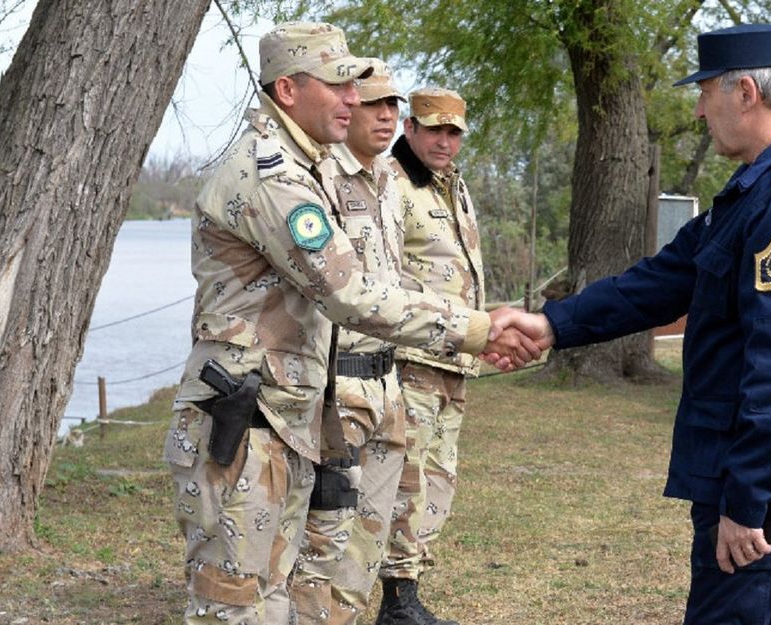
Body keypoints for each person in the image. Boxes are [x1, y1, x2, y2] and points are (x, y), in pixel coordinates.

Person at [490, 23, 771, 625]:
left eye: (706, 93)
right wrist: (552, 324)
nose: (699, 110)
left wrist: (746, 500)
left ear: (746, 91)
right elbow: (666, 278)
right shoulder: (768, 183)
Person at [163, 23, 535, 625]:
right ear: (287, 89)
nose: (351, 100)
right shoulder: (272, 177)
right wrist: (475, 330)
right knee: (236, 604)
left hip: (287, 415)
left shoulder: (306, 168)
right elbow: (352, 295)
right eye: (337, 85)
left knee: (286, 591)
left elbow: (380, 286)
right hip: (246, 420)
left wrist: (477, 318)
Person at [289, 58, 412, 625]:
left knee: (371, 532)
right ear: (347, 107)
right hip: (340, 386)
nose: (387, 116)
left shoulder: (389, 180)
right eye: (374, 104)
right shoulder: (322, 176)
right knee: (325, 535)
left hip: (388, 380)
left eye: (394, 106)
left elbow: (393, 278)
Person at [374, 87, 487, 625]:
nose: (445, 141)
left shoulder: (452, 186)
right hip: (411, 355)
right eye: (434, 130)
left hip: (452, 359)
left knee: (439, 478)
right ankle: (395, 597)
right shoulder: (390, 183)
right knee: (407, 478)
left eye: (454, 132)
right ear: (410, 129)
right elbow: (382, 277)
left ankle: (409, 588)